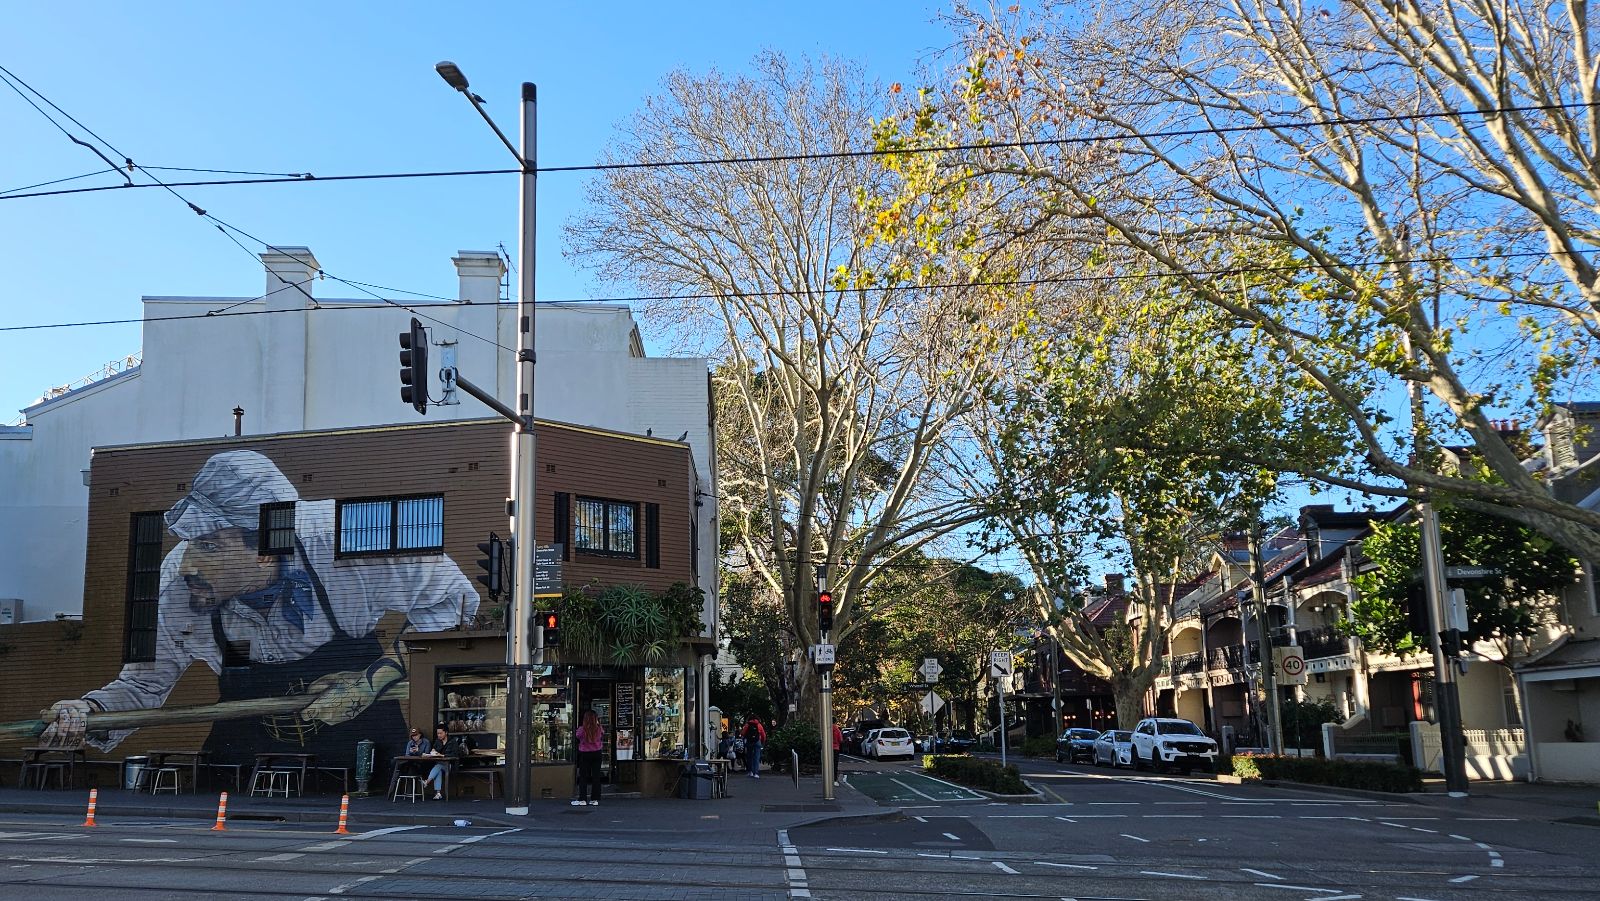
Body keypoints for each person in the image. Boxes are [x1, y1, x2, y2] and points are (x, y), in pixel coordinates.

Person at [40, 450, 477, 765]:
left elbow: (453, 600)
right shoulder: (175, 585)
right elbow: (141, 690)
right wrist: (88, 712)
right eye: (191, 543)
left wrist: (373, 680)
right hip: (243, 751)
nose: (189, 563)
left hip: (365, 745)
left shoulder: (351, 533)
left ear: (267, 549)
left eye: (209, 545)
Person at [425, 724, 472, 800]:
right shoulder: (437, 741)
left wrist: (442, 755)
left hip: (451, 765)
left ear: (446, 733)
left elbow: (455, 754)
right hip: (440, 764)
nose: (439, 735)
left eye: (441, 733)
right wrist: (433, 751)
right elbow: (433, 749)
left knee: (438, 766)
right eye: (437, 733)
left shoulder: (453, 742)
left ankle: (427, 781)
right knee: (439, 769)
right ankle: (438, 793)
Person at [573, 708, 605, 807]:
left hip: (585, 754)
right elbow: (602, 734)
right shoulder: (599, 728)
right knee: (596, 776)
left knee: (583, 777)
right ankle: (594, 799)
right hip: (597, 753)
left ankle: (582, 799)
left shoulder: (582, 729)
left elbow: (577, 735)